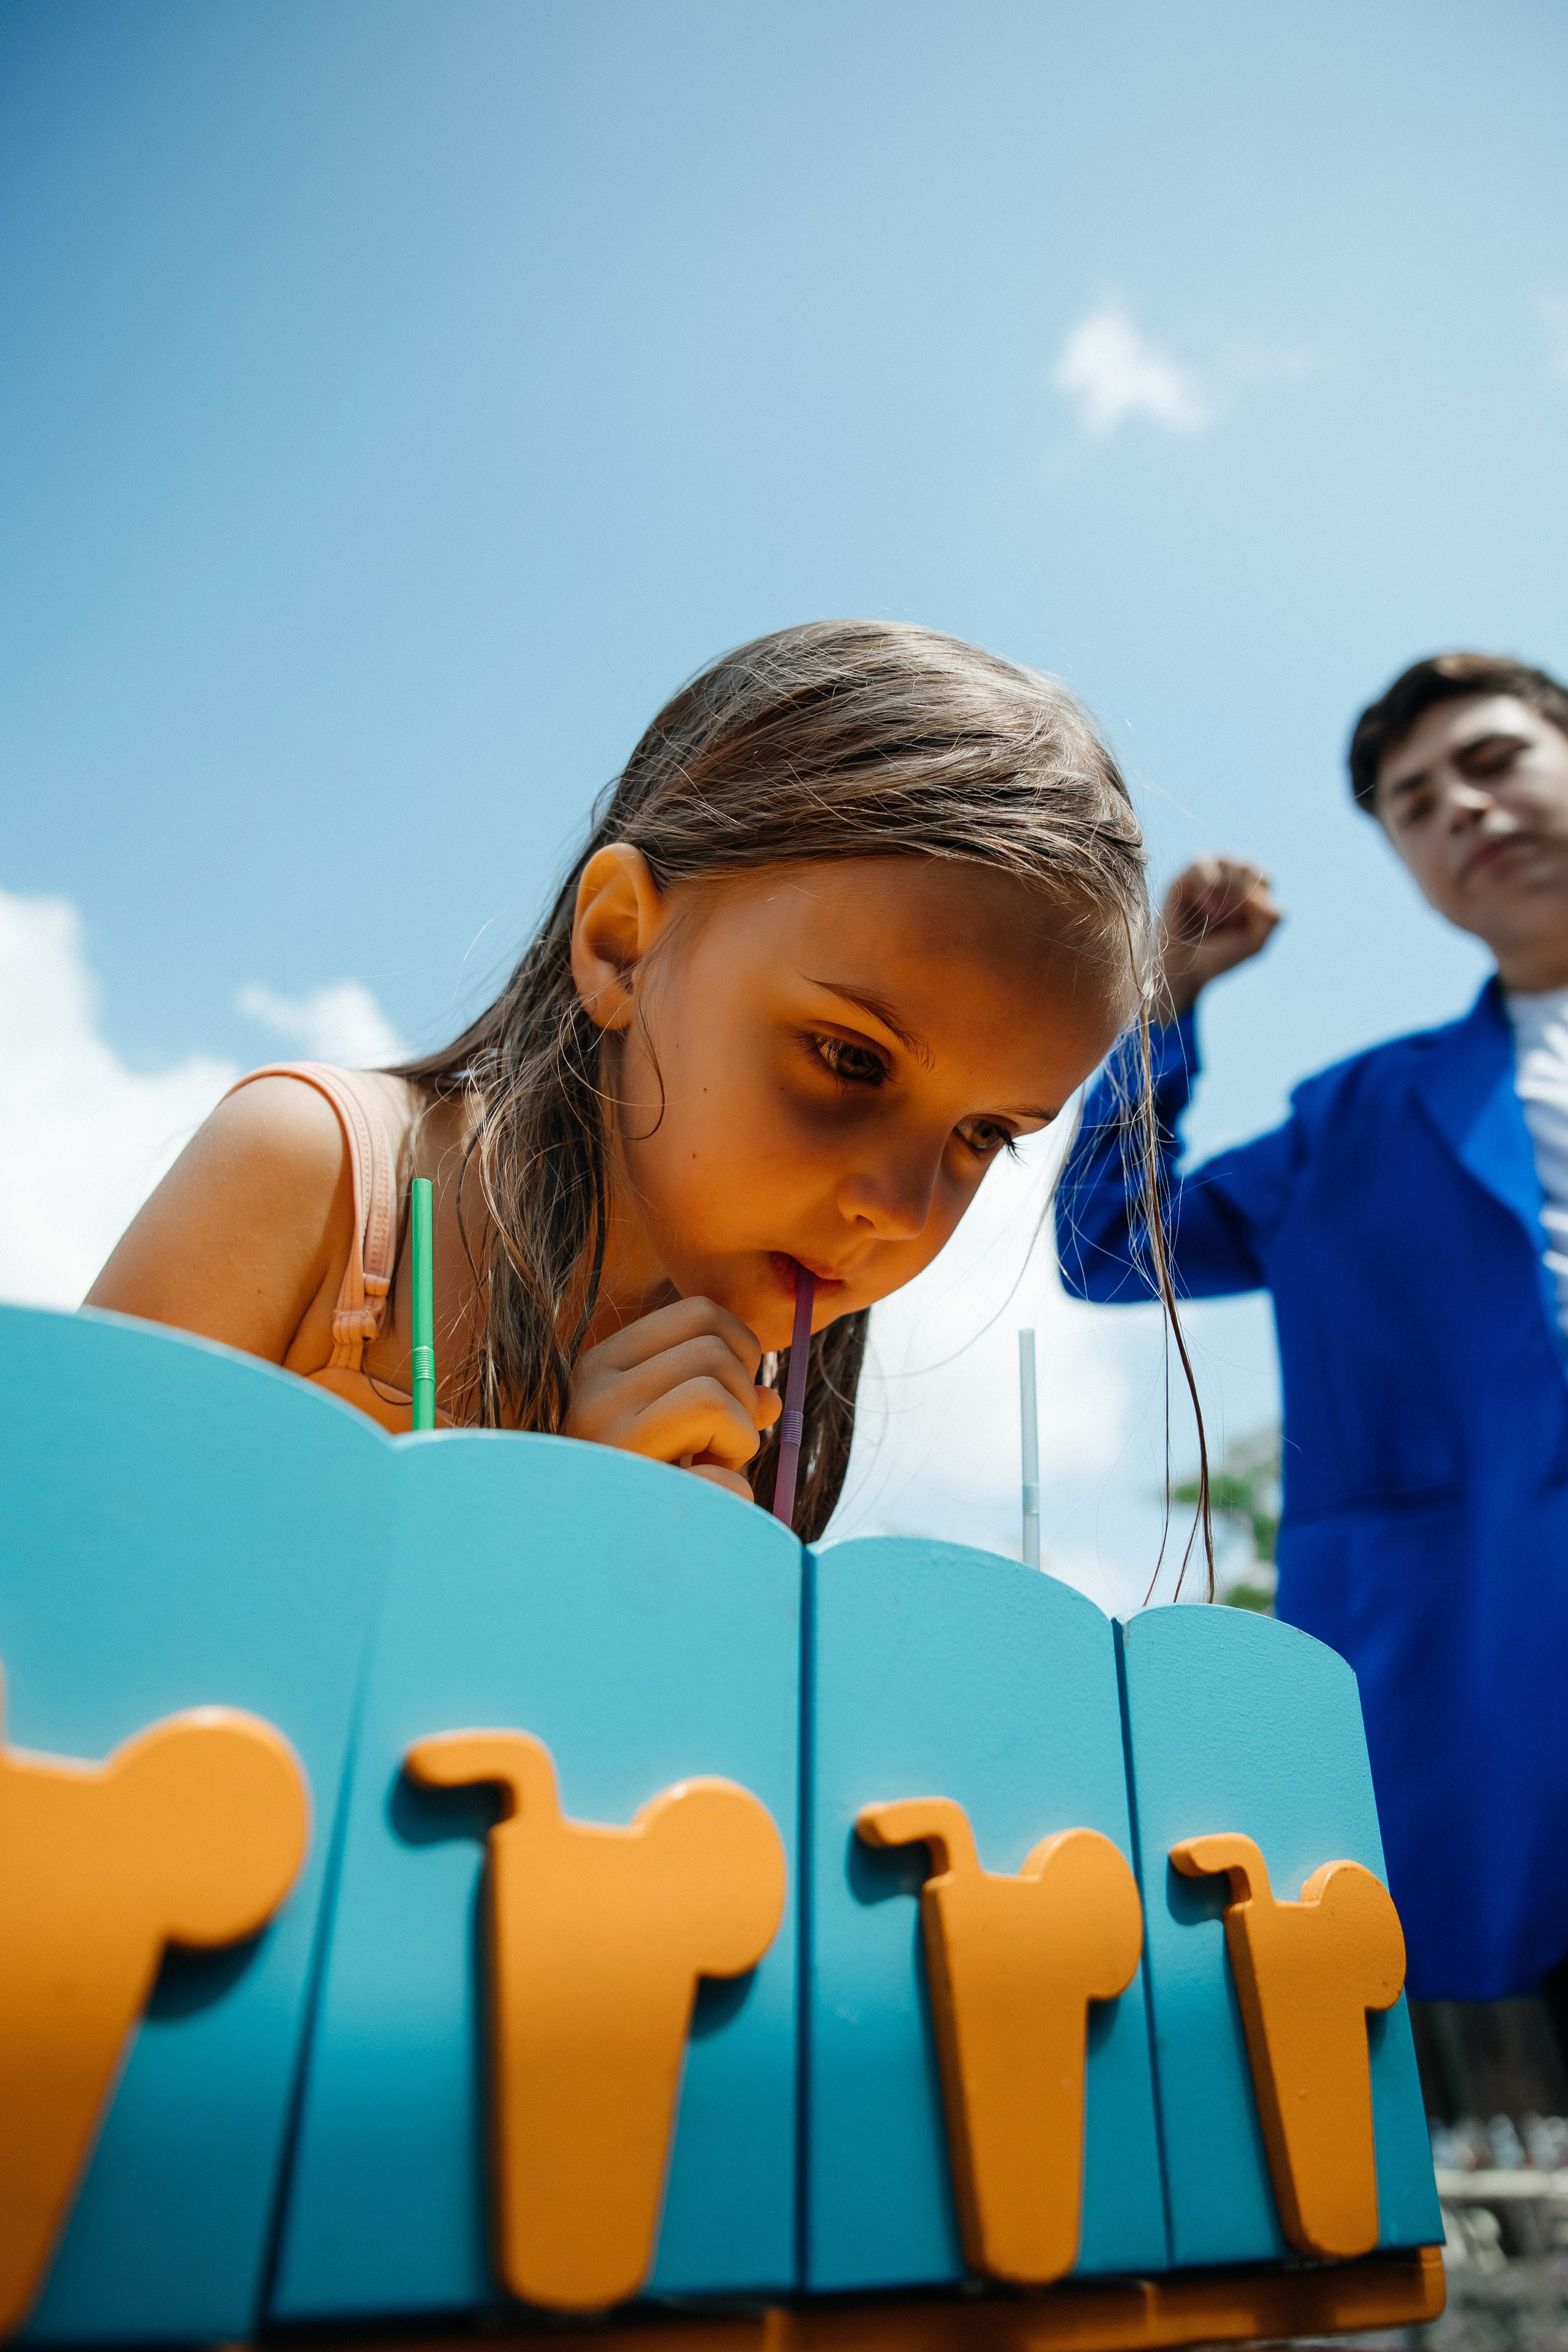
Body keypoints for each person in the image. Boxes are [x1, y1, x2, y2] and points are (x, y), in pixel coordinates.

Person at [90, 618, 1171, 1544]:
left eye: (984, 1135)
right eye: (850, 1058)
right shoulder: (320, 1179)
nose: (894, 1207)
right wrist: (540, 1543)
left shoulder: (765, 1423)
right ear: (619, 946)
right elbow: (58, 1609)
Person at [1056, 651, 1568, 2013]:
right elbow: (1108, 1246)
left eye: (1493, 759)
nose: (1457, 807)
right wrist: (1169, 995)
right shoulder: (1356, 1127)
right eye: (1411, 802)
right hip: (1508, 1698)